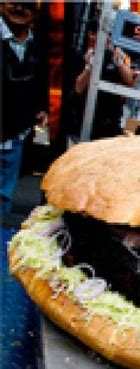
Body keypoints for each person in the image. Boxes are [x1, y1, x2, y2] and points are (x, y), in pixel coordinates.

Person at [1, 2, 48, 213]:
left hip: (16, 137)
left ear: (36, 12)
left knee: (3, 197)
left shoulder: (38, 43)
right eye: (14, 2)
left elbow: (41, 80)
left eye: (27, 4)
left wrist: (41, 108)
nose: (20, 8)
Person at [72, 19, 134, 140]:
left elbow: (129, 80)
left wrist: (120, 63)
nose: (109, 38)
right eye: (106, 34)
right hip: (86, 121)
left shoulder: (113, 56)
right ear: (92, 35)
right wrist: (89, 67)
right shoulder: (79, 56)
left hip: (111, 122)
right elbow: (78, 88)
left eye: (110, 35)